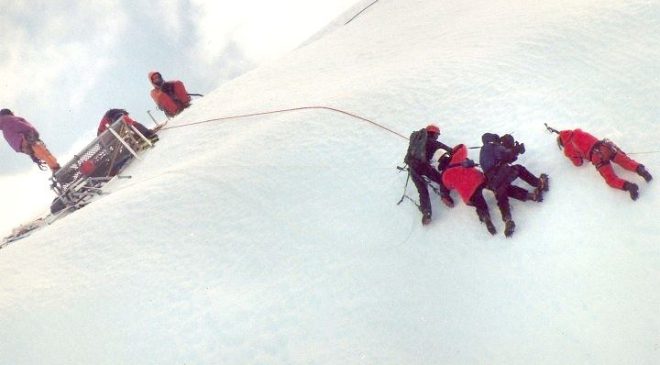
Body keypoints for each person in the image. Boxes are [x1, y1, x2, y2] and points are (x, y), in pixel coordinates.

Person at [479, 133, 548, 237]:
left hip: (492, 181)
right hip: (500, 172)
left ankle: (508, 219)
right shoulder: (492, 146)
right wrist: (517, 150)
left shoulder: (483, 151)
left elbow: (505, 158)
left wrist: (513, 152)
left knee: (503, 191)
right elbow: (505, 155)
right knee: (518, 169)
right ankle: (539, 183)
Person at [557, 128, 652, 200]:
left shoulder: (567, 150)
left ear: (562, 144)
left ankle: (629, 186)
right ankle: (640, 170)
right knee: (625, 161)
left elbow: (578, 163)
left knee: (611, 179)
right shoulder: (577, 131)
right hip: (605, 146)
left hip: (597, 156)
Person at [404, 124, 454, 225]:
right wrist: (453, 150)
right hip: (423, 166)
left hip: (412, 168)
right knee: (442, 180)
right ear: (432, 133)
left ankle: (426, 213)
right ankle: (445, 196)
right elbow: (444, 148)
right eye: (437, 135)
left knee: (422, 191)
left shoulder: (415, 142)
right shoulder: (431, 141)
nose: (437, 137)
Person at [440, 144, 496, 235]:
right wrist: (453, 151)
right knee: (493, 186)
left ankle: (485, 216)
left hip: (467, 191)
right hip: (477, 179)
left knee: (479, 201)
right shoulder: (456, 158)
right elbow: (463, 147)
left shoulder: (444, 176)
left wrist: (445, 197)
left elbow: (447, 188)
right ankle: (504, 192)